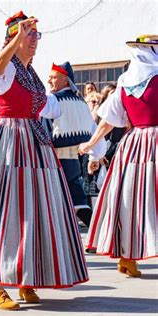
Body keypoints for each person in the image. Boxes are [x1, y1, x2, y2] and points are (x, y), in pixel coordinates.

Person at [0, 11, 88, 310]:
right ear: (14, 38)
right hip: (7, 143)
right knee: (2, 211)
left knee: (34, 211)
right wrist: (14, 39)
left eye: (37, 35)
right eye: (29, 35)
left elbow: (52, 109)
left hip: (34, 143)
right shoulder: (4, 66)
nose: (35, 40)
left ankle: (25, 277)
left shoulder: (32, 75)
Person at [79, 34, 158, 277]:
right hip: (154, 143)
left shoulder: (124, 82)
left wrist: (91, 143)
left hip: (133, 146)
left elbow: (108, 121)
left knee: (132, 202)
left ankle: (127, 258)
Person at [45, 61, 106, 227]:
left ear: (65, 80)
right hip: (73, 162)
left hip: (52, 162)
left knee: (49, 201)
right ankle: (98, 235)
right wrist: (95, 156)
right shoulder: (82, 104)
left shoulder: (52, 100)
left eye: (53, 77)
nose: (49, 80)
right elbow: (94, 132)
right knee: (78, 201)